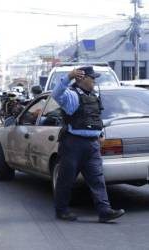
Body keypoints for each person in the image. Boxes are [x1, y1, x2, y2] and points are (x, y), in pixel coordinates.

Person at [52, 66, 125, 223]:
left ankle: (104, 211)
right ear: (82, 78)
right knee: (66, 179)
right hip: (73, 144)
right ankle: (62, 210)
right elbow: (55, 94)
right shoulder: (71, 95)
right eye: (92, 77)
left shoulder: (93, 95)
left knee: (97, 179)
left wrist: (99, 133)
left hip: (92, 145)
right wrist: (69, 76)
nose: (94, 80)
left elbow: (94, 118)